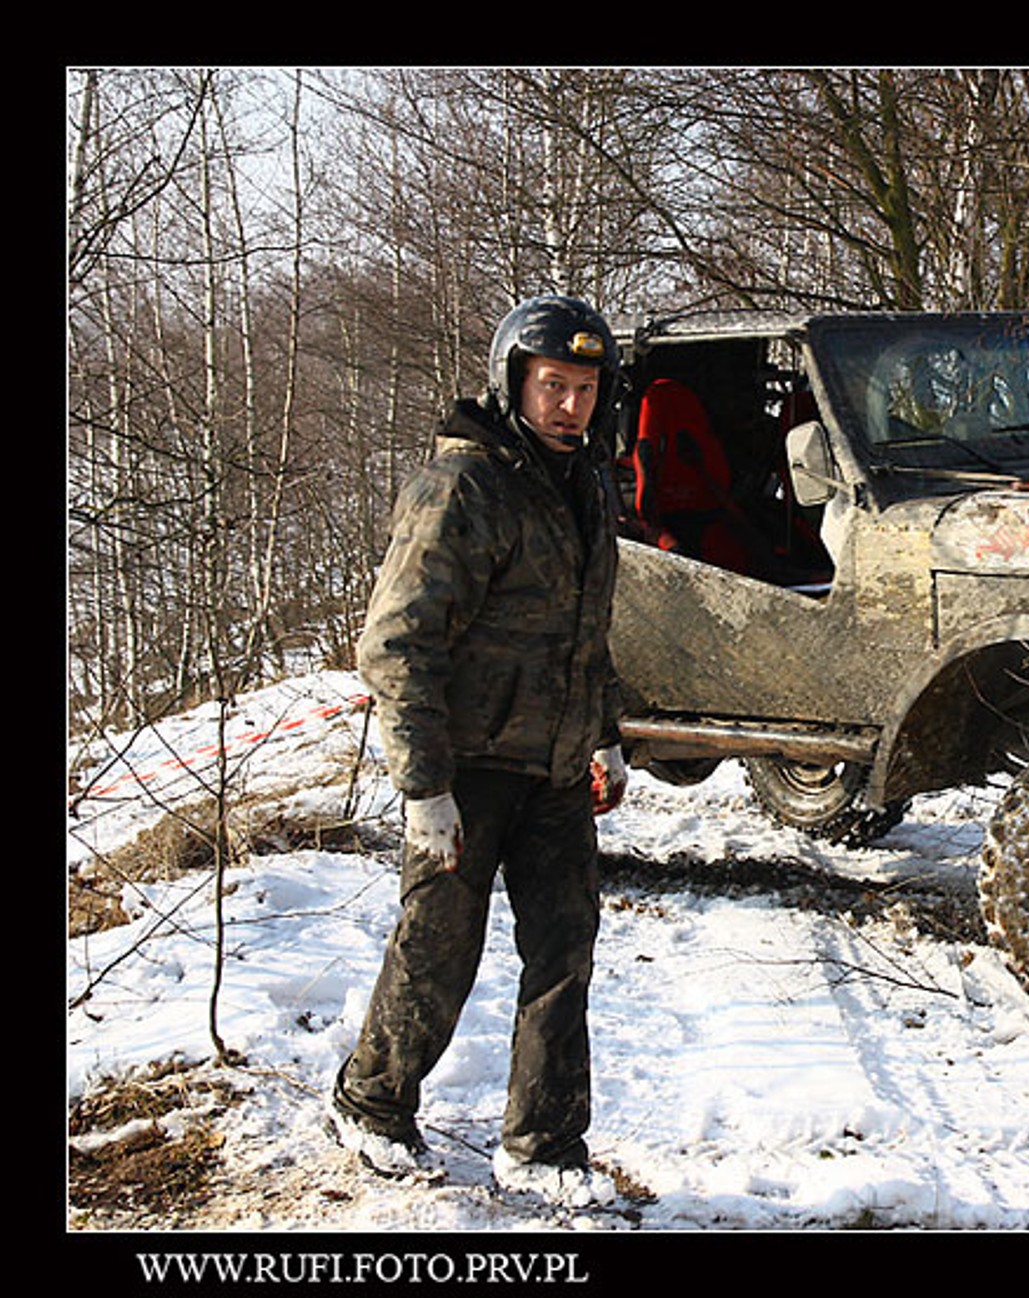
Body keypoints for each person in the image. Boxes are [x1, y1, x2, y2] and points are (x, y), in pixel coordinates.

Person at [327, 295, 631, 1207]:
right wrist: (425, 786)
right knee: (439, 948)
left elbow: (586, 628)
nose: (569, 406)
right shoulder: (464, 486)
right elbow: (395, 643)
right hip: (465, 769)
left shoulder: (585, 482)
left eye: (584, 388)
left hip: (555, 769)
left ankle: (543, 1146)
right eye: (552, 386)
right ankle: (372, 1104)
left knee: (564, 954)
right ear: (513, 383)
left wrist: (606, 734)